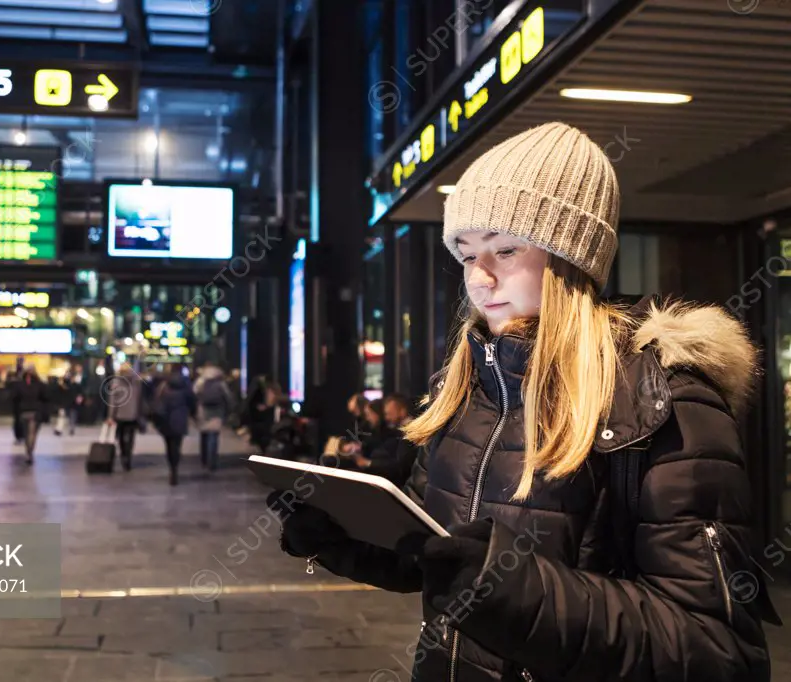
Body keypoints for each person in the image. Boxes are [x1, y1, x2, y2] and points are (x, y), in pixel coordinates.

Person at [268, 122, 779, 681]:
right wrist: (341, 533)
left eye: (505, 250)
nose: (480, 280)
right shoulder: (466, 386)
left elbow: (718, 649)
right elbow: (436, 557)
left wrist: (515, 590)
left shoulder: (662, 398)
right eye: (466, 255)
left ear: (572, 259)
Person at [152, 364, 196, 486]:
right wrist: (192, 413)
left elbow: (156, 402)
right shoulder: (185, 386)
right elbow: (192, 401)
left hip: (166, 419)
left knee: (169, 444)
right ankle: (175, 467)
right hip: (180, 418)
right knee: (177, 444)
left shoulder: (163, 386)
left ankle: (172, 466)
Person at [194, 363, 234, 472]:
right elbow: (228, 398)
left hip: (202, 412)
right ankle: (212, 462)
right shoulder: (220, 383)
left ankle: (204, 460)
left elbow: (194, 395)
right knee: (213, 437)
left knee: (204, 436)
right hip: (217, 412)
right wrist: (229, 410)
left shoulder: (200, 381)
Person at [106, 364, 144, 472]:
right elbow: (139, 399)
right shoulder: (136, 382)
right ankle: (128, 455)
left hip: (120, 415)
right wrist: (140, 413)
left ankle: (123, 454)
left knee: (121, 436)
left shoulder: (116, 382)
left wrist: (110, 416)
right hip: (133, 415)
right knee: (131, 437)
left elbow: (112, 401)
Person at [11, 363, 49, 465]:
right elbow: (45, 398)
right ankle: (29, 452)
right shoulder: (40, 384)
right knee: (32, 433)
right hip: (35, 411)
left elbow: (14, 398)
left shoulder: (19, 384)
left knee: (26, 433)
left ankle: (28, 452)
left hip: (23, 411)